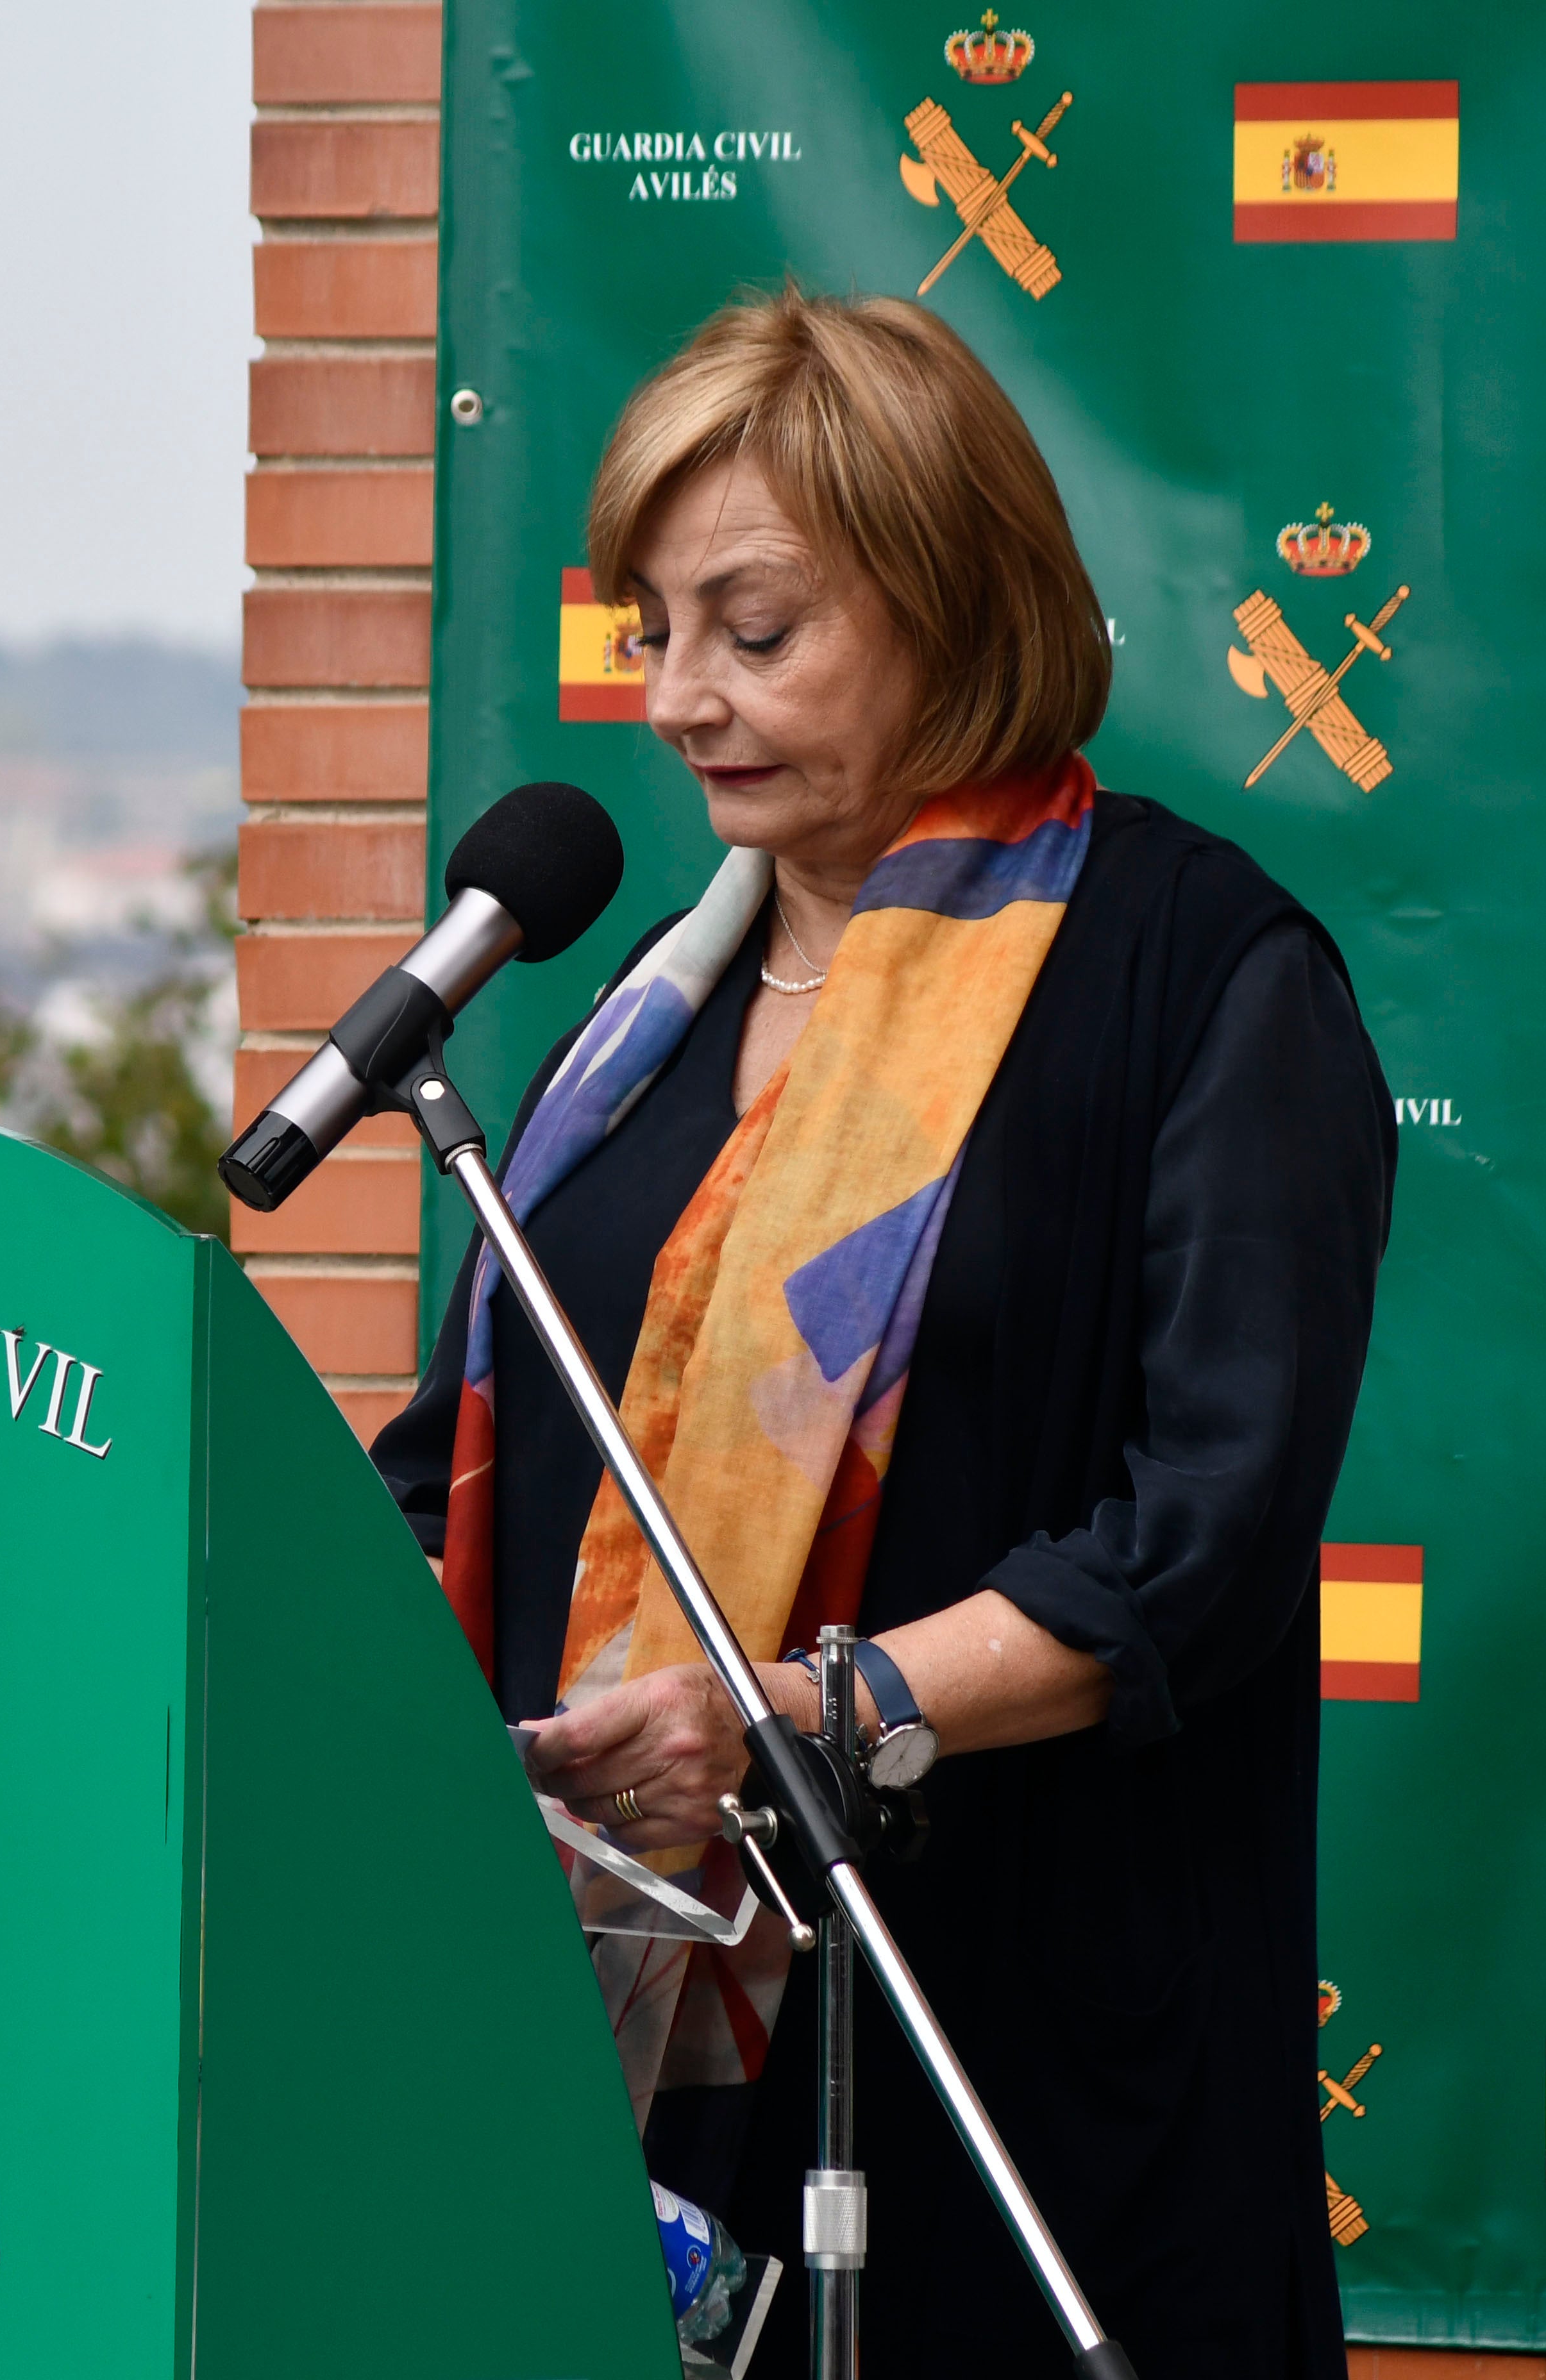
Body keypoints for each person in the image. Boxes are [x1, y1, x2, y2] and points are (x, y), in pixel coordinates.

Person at [373, 287, 1393, 2377]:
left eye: (754, 630)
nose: (677, 697)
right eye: (649, 628)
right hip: (617, 2079)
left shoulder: (1197, 980)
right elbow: (470, 1464)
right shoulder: (633, 1033)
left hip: (1006, 2064)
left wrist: (799, 1720)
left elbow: (1198, 1543)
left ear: (952, 597)